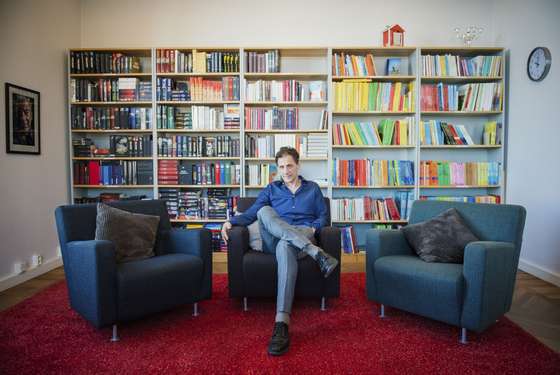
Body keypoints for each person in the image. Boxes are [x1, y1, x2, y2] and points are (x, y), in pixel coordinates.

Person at [221, 146, 338, 356]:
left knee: (287, 244)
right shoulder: (271, 189)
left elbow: (323, 217)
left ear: (298, 165)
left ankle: (281, 324)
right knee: (265, 211)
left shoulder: (312, 189)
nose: (286, 171)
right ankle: (316, 253)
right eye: (282, 167)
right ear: (278, 168)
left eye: (290, 166)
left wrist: (313, 228)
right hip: (272, 239)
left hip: (300, 235)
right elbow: (251, 214)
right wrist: (230, 222)